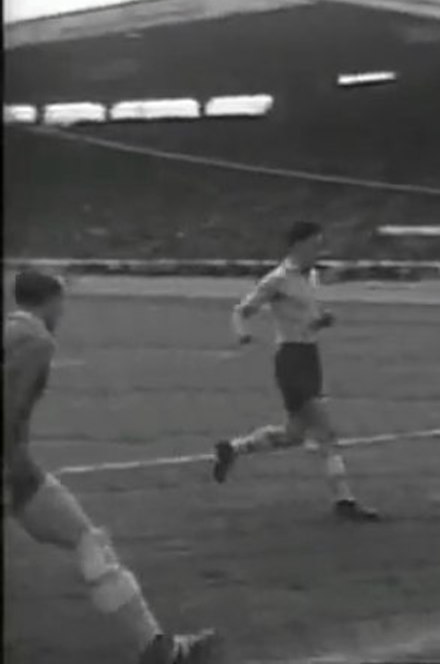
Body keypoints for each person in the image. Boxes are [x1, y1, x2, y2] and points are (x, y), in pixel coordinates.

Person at [4, 269, 221, 663]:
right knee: (90, 543)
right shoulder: (36, 340)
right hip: (11, 469)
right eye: (62, 301)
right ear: (50, 300)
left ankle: (157, 648)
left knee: (89, 540)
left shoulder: (10, 331)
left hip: (19, 471)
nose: (64, 310)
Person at [213, 221, 379, 522]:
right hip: (291, 359)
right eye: (315, 245)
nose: (319, 251)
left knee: (294, 434)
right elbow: (242, 310)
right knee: (325, 432)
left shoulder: (310, 277)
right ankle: (345, 501)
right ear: (297, 246)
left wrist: (320, 322)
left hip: (309, 356)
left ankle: (234, 448)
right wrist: (242, 334)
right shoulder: (278, 279)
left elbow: (304, 320)